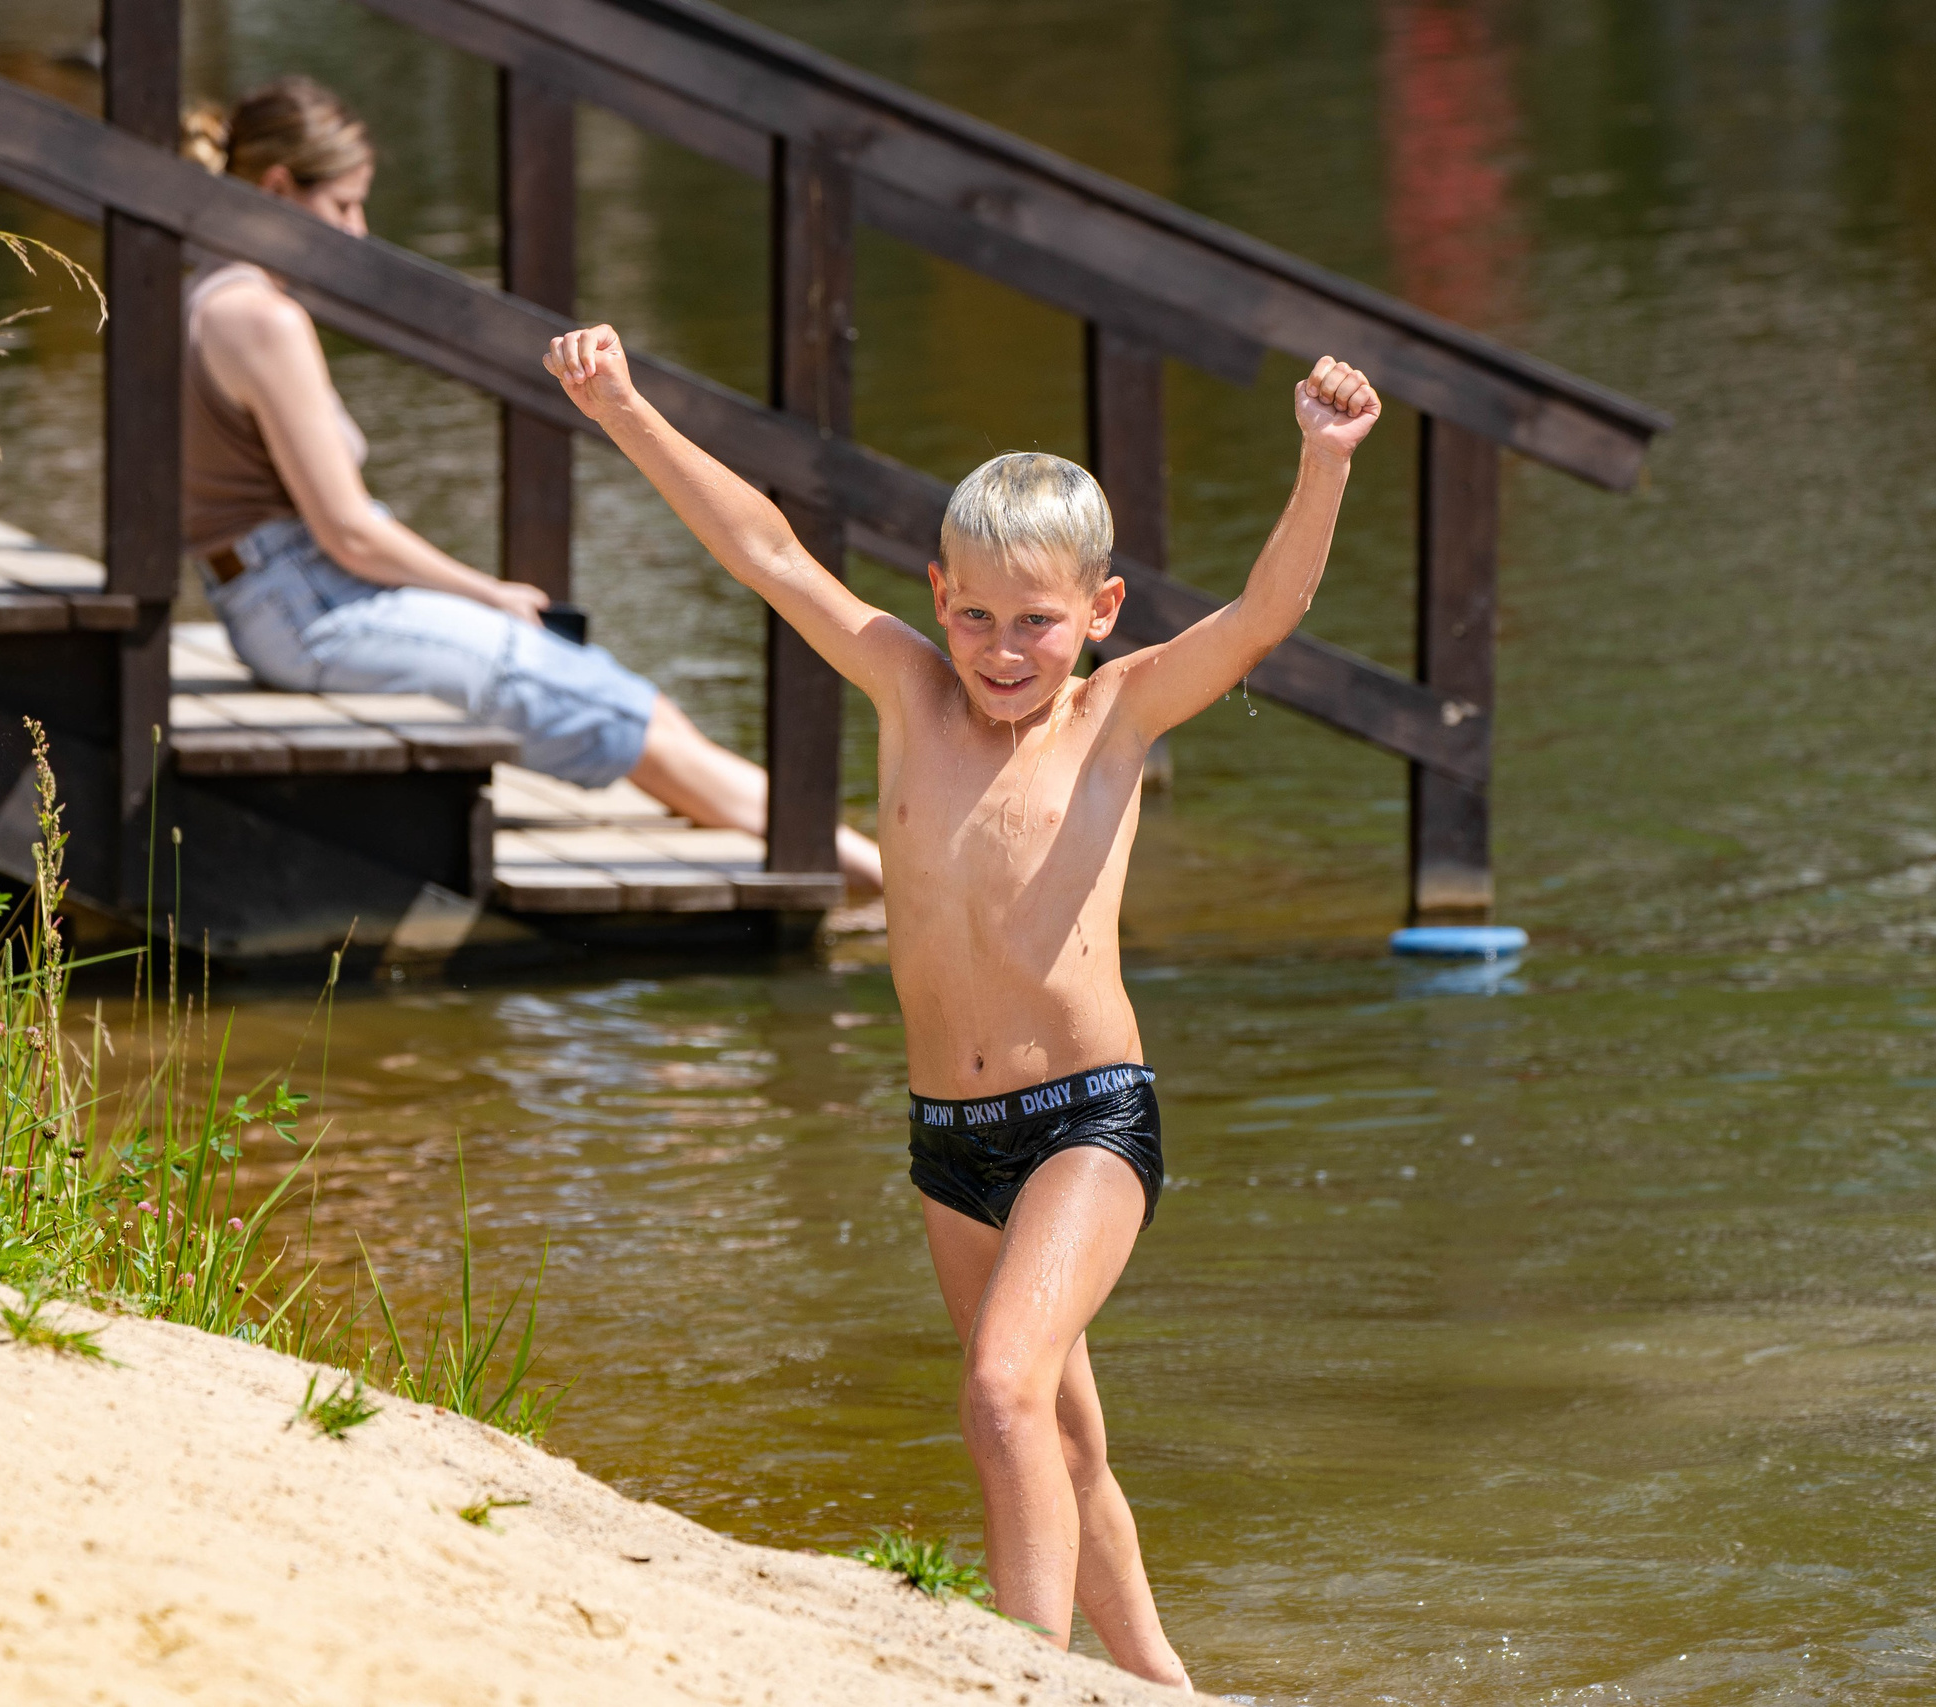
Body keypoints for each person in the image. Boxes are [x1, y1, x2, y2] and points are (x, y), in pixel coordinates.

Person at [544, 319, 1381, 1684]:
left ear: (1099, 613)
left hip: (1087, 1127)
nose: (1004, 651)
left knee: (999, 1390)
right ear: (937, 595)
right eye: (978, 615)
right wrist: (626, 408)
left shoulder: (1115, 714)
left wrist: (1325, 460)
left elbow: (1267, 611)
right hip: (950, 1139)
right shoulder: (906, 690)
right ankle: (1166, 1680)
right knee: (1061, 1431)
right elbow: (764, 550)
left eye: (1038, 621)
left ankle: (1025, 1670)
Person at [179, 77, 882, 894]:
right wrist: (488, 592)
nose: (359, 232)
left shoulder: (200, 284)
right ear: (276, 188)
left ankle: (864, 873)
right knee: (628, 716)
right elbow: (349, 533)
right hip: (316, 607)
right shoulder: (263, 318)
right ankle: (892, 884)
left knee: (637, 708)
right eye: (344, 205)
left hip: (276, 601)